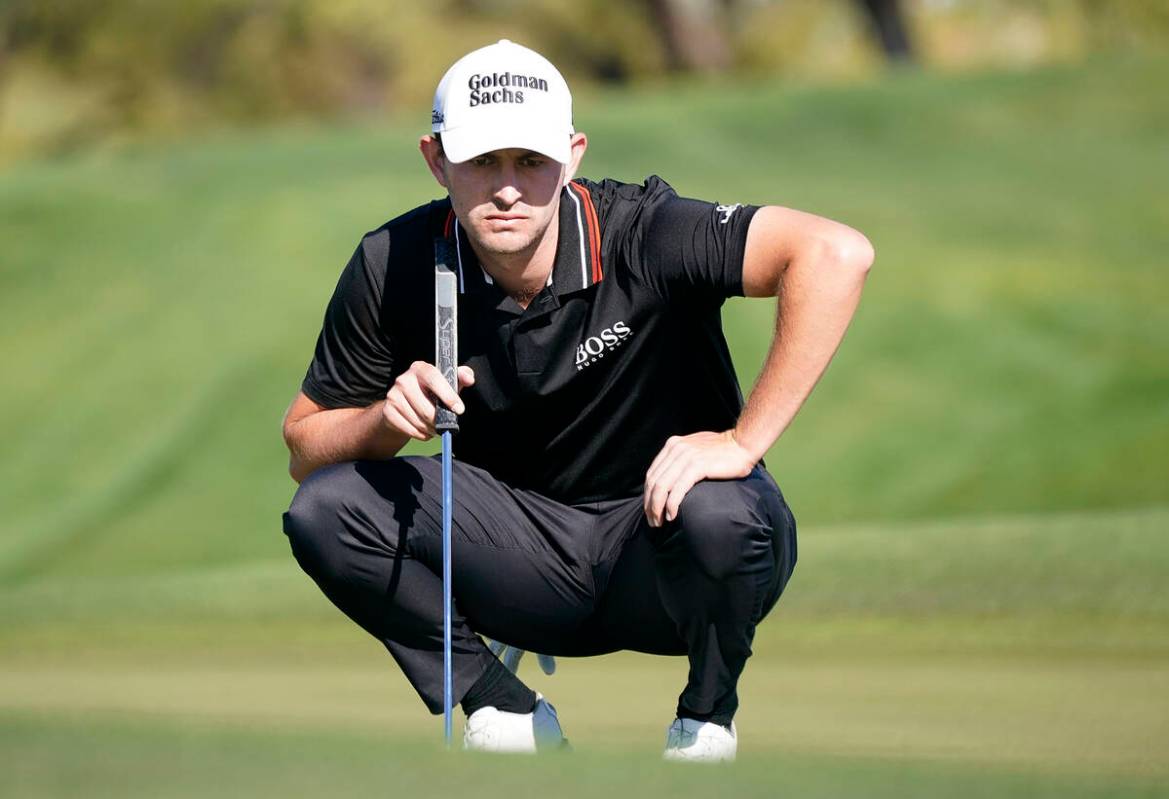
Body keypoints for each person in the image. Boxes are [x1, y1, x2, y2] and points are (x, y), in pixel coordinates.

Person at [281, 39, 872, 761]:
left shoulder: (643, 232)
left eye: (530, 162)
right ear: (437, 161)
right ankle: (499, 708)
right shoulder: (394, 262)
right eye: (481, 162)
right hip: (518, 566)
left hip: (665, 558)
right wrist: (381, 420)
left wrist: (743, 441)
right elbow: (304, 451)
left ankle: (705, 719)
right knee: (327, 508)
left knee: (722, 508)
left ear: (572, 155)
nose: (506, 188)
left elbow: (834, 254)